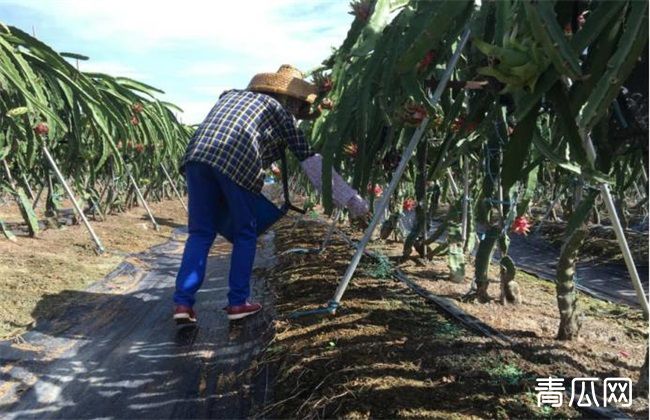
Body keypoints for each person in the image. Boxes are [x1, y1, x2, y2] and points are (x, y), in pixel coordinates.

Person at [174, 65, 369, 325]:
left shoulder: (231, 95)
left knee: (199, 233)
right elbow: (311, 161)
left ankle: (183, 303)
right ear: (292, 100)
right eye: (300, 108)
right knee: (246, 232)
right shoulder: (279, 112)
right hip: (236, 160)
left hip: (195, 158)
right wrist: (353, 201)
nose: (299, 115)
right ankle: (238, 302)